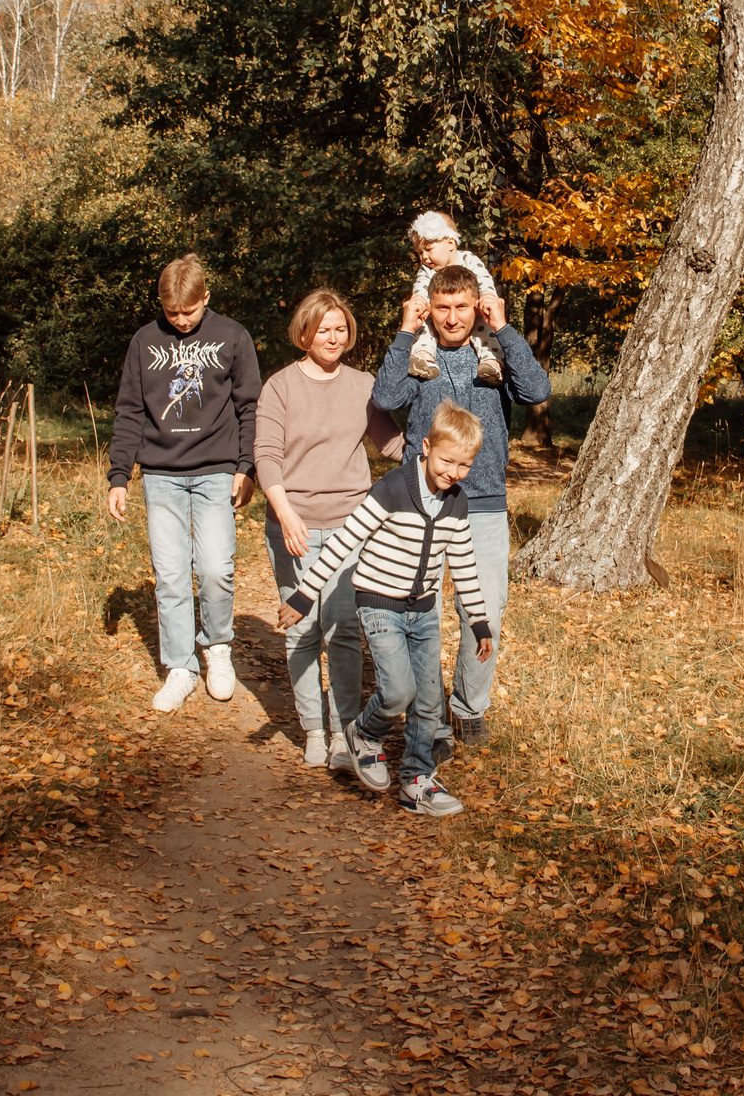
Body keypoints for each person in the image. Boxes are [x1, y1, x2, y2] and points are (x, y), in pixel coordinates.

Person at [275, 402, 496, 817]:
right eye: (447, 461)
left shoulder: (457, 503)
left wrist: (480, 622)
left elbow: (463, 564)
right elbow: (345, 540)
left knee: (429, 701)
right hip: (379, 604)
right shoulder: (392, 489)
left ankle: (416, 780)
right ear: (427, 447)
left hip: (424, 611)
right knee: (397, 692)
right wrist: (305, 595)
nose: (454, 472)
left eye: (464, 465)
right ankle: (363, 732)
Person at [374, 261, 549, 750]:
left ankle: (469, 705)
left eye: (462, 308)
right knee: (416, 606)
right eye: (443, 309)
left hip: (485, 500)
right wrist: (406, 332)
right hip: (420, 502)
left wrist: (505, 328)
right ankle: (425, 710)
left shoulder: (492, 355)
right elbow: (385, 396)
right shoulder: (419, 355)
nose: (453, 319)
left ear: (478, 306)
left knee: (484, 608)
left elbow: (537, 390)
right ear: (431, 309)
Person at [105, 254, 262, 713]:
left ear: (205, 298)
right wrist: (120, 476)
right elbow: (130, 411)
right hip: (161, 475)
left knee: (215, 567)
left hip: (217, 470)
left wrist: (245, 466)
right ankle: (179, 666)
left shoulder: (232, 336)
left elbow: (249, 406)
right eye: (171, 312)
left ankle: (217, 648)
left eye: (188, 312)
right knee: (171, 574)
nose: (179, 320)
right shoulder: (144, 341)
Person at [254, 288, 402, 768]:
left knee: (341, 630)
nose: (333, 337)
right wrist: (285, 512)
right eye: (324, 329)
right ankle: (313, 731)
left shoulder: (364, 385)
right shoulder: (279, 386)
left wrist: (444, 454)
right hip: (292, 523)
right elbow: (266, 457)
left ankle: (344, 733)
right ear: (305, 333)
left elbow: (390, 443)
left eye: (341, 329)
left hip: (350, 526)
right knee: (302, 632)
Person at [404, 211, 505, 384]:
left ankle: (492, 362)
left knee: (485, 330)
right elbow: (420, 287)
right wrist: (419, 302)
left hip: (476, 311)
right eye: (420, 253)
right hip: (437, 316)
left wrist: (488, 297)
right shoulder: (426, 270)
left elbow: (484, 279)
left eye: (428, 249)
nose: (424, 257)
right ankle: (423, 357)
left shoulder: (469, 259)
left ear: (450, 243)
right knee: (425, 327)